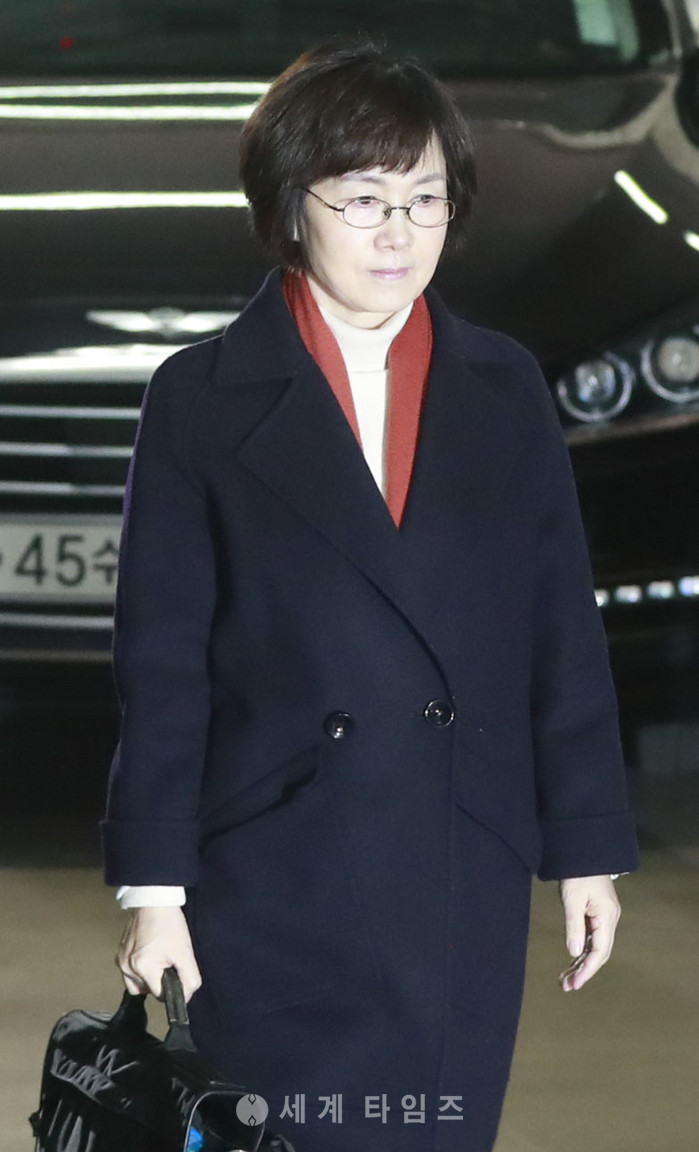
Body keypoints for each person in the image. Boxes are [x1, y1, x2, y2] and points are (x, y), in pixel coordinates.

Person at [102, 36, 640, 1152]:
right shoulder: (200, 397)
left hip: (457, 856)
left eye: (425, 199)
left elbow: (559, 628)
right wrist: (154, 890)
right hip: (270, 867)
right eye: (362, 199)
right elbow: (162, 662)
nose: (398, 232)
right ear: (290, 206)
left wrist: (586, 844)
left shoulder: (504, 387)